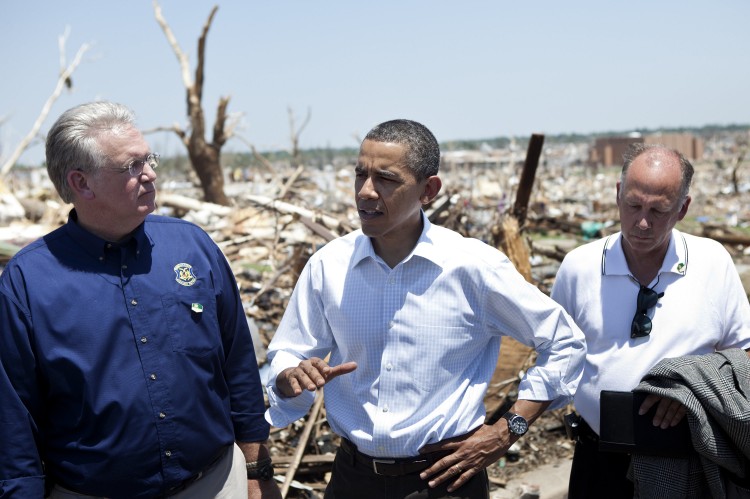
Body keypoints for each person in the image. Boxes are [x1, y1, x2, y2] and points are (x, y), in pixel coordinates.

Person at [264, 119, 586, 498]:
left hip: (445, 481)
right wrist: (291, 375)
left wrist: (506, 431)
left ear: (428, 190)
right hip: (354, 479)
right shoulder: (329, 266)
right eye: (360, 175)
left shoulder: (472, 268)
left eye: (385, 179)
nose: (366, 192)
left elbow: (565, 343)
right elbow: (289, 352)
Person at [0, 102, 281, 499]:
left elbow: (238, 366)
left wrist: (256, 470)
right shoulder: (28, 282)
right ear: (81, 183)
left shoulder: (192, 247)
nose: (149, 174)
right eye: (131, 166)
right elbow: (14, 419)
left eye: (149, 159)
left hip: (217, 483)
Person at [550, 143, 750, 498]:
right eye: (633, 205)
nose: (642, 222)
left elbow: (745, 357)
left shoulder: (712, 262)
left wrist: (690, 389)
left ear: (683, 208)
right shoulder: (579, 267)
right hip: (599, 461)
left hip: (686, 463)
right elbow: (556, 355)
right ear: (617, 194)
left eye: (659, 210)